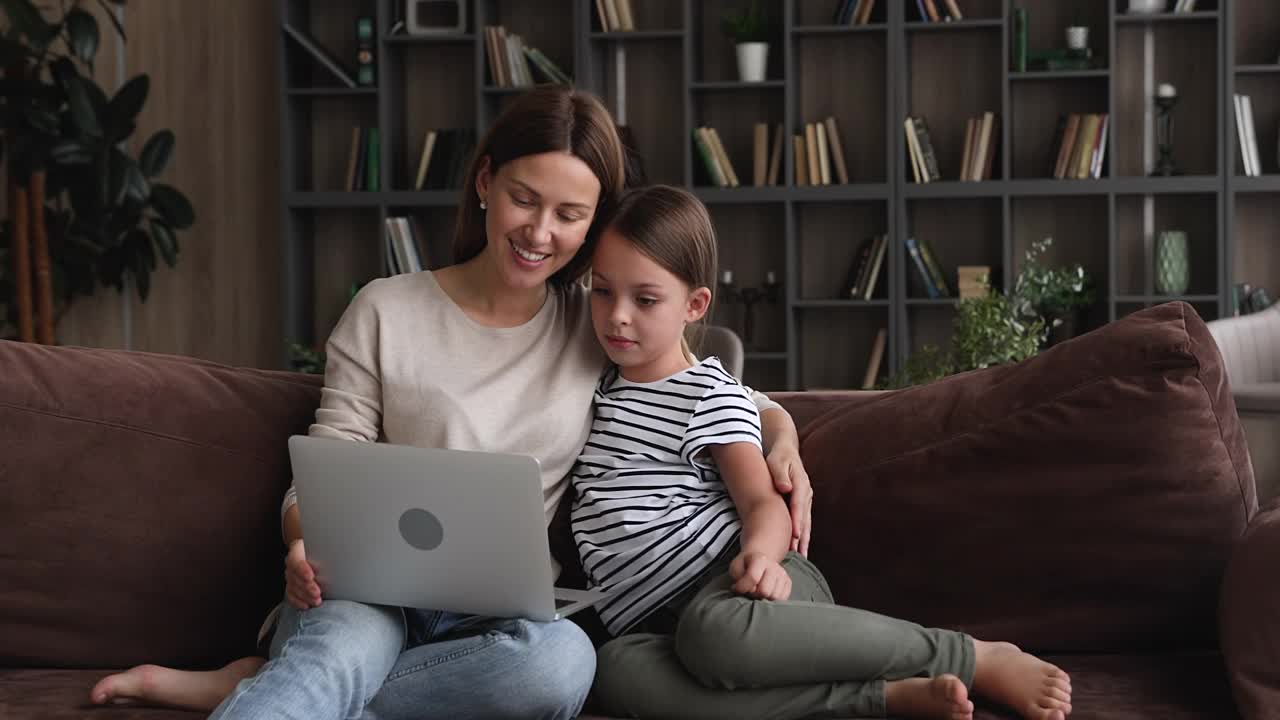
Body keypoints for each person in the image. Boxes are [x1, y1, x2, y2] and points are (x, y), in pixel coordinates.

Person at [88, 86, 815, 719]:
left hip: (497, 618)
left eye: (569, 214)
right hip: (367, 589)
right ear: (485, 183)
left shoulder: (595, 321)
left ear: (593, 227)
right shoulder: (385, 310)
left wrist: (782, 437)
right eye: (524, 199)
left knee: (563, 664)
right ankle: (305, 684)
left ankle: (274, 691)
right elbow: (327, 457)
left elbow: (714, 390)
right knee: (346, 648)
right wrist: (304, 540)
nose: (539, 232)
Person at [574, 184, 1075, 720]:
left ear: (695, 305)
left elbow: (762, 504)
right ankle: (880, 699)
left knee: (712, 634)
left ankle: (972, 656)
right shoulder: (601, 386)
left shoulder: (706, 395)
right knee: (613, 671)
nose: (617, 316)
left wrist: (761, 561)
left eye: (644, 300)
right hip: (649, 625)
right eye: (602, 292)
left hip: (746, 590)